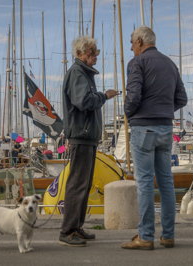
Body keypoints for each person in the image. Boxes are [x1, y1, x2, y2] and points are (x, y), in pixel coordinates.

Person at [121, 26, 187, 250]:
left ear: (140, 41)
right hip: (165, 128)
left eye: (132, 43)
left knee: (145, 183)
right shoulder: (170, 63)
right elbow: (182, 98)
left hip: (143, 128)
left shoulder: (137, 63)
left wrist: (130, 113)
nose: (131, 47)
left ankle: (146, 236)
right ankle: (168, 235)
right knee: (166, 183)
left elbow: (134, 94)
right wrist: (164, 109)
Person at [60, 35, 118, 247]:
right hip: (81, 137)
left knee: (82, 184)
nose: (94, 57)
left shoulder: (83, 74)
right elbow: (84, 101)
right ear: (80, 54)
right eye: (91, 53)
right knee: (77, 184)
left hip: (86, 137)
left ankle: (76, 227)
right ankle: (67, 231)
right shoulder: (77, 74)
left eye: (96, 53)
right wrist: (105, 96)